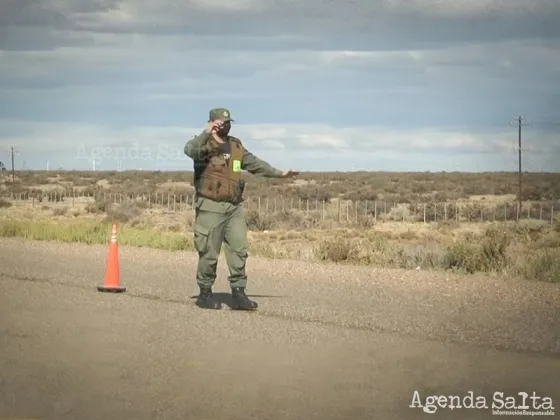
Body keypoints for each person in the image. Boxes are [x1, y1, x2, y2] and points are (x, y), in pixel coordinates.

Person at [184, 108, 298, 310]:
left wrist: (280, 174)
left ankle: (238, 292)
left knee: (239, 250)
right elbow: (189, 150)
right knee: (209, 252)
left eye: (228, 122)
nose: (224, 126)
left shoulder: (235, 145)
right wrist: (206, 133)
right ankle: (205, 293)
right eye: (220, 123)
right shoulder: (203, 145)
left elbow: (255, 164)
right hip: (210, 206)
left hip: (234, 207)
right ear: (211, 122)